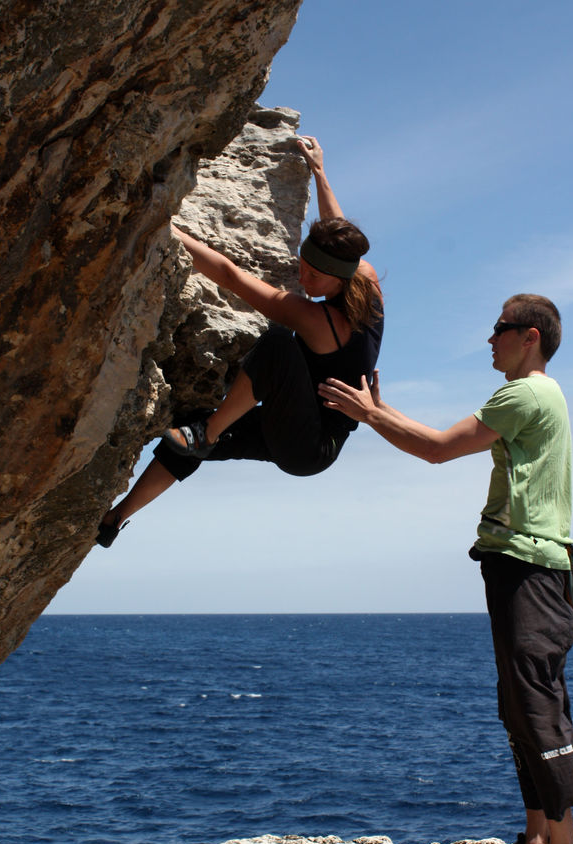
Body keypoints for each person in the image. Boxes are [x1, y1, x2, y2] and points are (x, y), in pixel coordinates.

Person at [319, 294, 573, 844]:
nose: (490, 340)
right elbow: (435, 439)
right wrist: (381, 410)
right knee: (520, 703)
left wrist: (370, 416)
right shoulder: (543, 396)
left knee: (535, 706)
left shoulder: (524, 393)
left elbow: (440, 447)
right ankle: (535, 840)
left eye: (499, 330)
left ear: (529, 336)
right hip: (524, 567)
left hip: (528, 567)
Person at [97, 136, 383, 547]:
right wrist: (319, 171)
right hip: (294, 423)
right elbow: (336, 231)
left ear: (338, 279)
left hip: (310, 445)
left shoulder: (321, 320)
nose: (303, 280)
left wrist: (162, 226)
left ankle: (206, 433)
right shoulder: (363, 276)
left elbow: (232, 277)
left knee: (278, 346)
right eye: (301, 267)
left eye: (313, 277)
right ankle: (114, 519)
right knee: (187, 428)